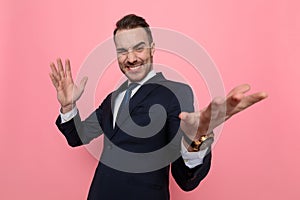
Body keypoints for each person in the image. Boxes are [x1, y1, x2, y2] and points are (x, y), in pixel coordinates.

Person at [49, 14, 267, 200]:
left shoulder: (176, 92)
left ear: (152, 49)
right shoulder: (113, 98)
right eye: (123, 50)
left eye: (139, 48)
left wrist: (195, 140)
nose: (131, 58)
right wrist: (68, 105)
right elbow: (78, 137)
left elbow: (185, 179)